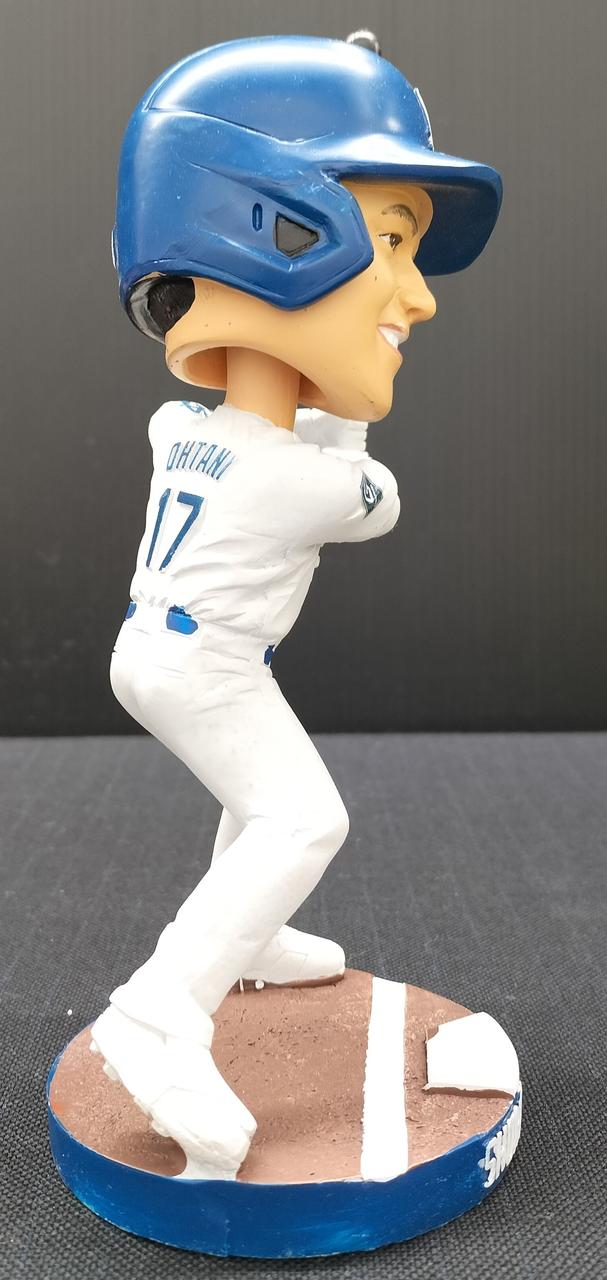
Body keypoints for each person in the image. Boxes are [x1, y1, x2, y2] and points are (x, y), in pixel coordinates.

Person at [91, 35, 502, 1178]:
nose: (417, 295)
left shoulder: (181, 426)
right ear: (274, 231)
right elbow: (367, 492)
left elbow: (278, 434)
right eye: (389, 240)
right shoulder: (297, 480)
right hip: (208, 663)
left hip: (160, 648)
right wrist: (348, 398)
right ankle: (159, 1011)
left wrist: (322, 367)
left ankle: (252, 934)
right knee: (303, 818)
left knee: (257, 793)